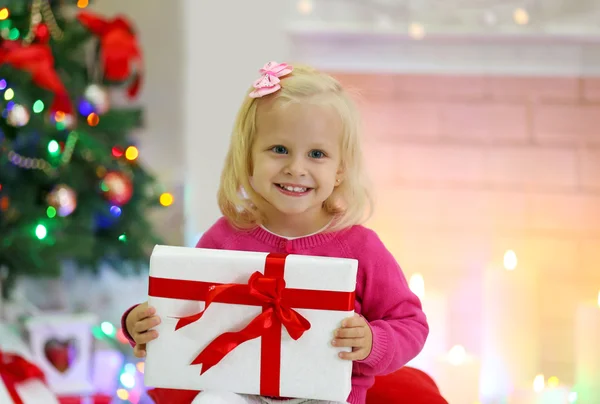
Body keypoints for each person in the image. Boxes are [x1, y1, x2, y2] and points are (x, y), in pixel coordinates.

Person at [122, 61, 429, 404]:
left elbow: (411, 324)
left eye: (317, 154)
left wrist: (373, 340)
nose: (296, 168)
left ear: (340, 170)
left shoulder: (361, 247)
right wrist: (138, 323)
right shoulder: (225, 238)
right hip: (237, 389)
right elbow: (182, 304)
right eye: (279, 149)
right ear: (249, 157)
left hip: (326, 395)